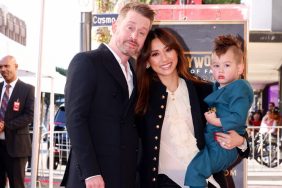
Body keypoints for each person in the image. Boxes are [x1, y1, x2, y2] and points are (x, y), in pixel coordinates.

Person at [135, 28, 249, 188]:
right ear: (147, 61)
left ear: (177, 51)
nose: (164, 58)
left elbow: (239, 130)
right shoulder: (140, 98)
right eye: (155, 54)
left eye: (168, 49)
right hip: (163, 183)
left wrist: (241, 141)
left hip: (208, 182)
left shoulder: (205, 91)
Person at [60, 2, 155, 188]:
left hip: (124, 176)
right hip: (93, 179)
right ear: (114, 27)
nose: (135, 36)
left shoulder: (137, 71)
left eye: (142, 32)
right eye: (130, 27)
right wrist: (90, 172)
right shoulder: (87, 62)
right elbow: (75, 119)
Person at [184, 34, 253, 188]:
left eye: (227, 65)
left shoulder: (237, 87)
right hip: (209, 148)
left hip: (220, 147)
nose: (220, 70)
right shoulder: (218, 87)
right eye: (216, 66)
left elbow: (239, 122)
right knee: (196, 171)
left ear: (240, 68)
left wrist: (241, 142)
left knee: (195, 171)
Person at [0, 55, 35, 188]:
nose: (3, 69)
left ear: (16, 67)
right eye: (0, 67)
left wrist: (5, 126)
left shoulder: (27, 89)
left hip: (17, 148)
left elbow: (29, 115)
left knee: (17, 185)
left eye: (6, 66)